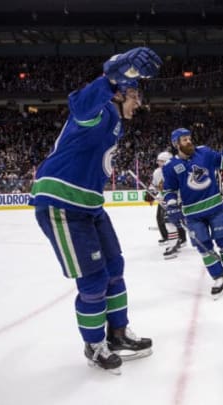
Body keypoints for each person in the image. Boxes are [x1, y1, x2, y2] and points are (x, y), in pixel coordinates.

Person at [29, 47, 161, 374]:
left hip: (90, 207)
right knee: (93, 280)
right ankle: (94, 344)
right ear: (119, 94)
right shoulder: (99, 112)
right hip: (61, 203)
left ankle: (117, 333)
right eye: (135, 95)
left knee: (115, 267)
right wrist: (112, 77)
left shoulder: (115, 120)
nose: (139, 103)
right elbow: (79, 104)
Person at [162, 127, 223, 299]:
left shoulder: (204, 152)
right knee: (204, 248)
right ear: (176, 144)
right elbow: (169, 189)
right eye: (184, 139)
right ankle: (219, 278)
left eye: (189, 138)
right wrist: (171, 205)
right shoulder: (170, 166)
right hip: (193, 215)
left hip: (215, 209)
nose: (189, 141)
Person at [150, 150, 186, 259]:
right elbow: (154, 185)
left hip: (176, 200)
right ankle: (173, 242)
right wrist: (151, 191)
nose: (158, 163)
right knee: (166, 221)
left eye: (161, 161)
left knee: (174, 221)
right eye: (158, 161)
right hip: (164, 199)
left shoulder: (175, 170)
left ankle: (180, 240)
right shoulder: (157, 172)